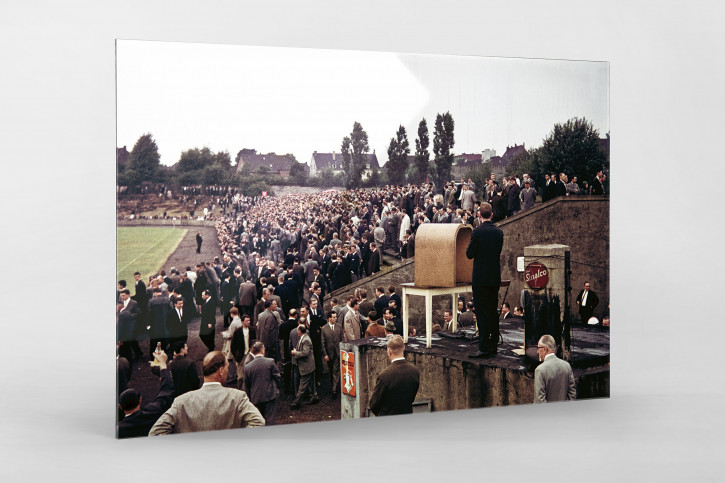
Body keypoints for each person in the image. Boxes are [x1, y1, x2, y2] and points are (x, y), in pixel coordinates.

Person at [149, 351, 265, 435]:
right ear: (220, 371)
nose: (228, 371)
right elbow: (258, 422)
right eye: (227, 367)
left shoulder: (181, 402)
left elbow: (156, 432)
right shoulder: (238, 397)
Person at [466, 202, 504, 358]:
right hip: (494, 277)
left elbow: (469, 253)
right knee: (492, 310)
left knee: (481, 312)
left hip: (481, 278)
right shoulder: (499, 232)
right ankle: (493, 343)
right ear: (492, 215)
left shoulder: (477, 232)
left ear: (479, 215)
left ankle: (483, 346)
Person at [117, 351, 174, 439]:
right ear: (140, 400)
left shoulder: (118, 430)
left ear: (120, 406)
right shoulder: (153, 412)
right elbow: (166, 391)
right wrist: (163, 364)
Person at [369, 335, 420, 416]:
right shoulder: (415, 371)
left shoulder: (384, 376)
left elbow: (374, 405)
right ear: (403, 348)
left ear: (389, 351)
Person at [244, 342, 282, 425]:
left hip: (255, 397)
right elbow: (277, 377)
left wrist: (249, 398)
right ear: (262, 350)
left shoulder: (247, 367)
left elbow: (246, 385)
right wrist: (277, 388)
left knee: (258, 421)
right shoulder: (270, 362)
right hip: (270, 395)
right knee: (270, 420)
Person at [534, 335, 576, 403]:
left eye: (538, 348)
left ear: (545, 349)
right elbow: (572, 394)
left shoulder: (540, 370)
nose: (537, 351)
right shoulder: (567, 366)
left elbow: (539, 401)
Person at [290, 325, 319, 409]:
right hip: (309, 365)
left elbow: (305, 353)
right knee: (311, 384)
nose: (296, 332)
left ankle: (296, 402)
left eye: (297, 330)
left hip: (307, 366)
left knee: (302, 385)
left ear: (300, 331)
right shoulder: (304, 338)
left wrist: (295, 353)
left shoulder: (306, 339)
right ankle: (315, 397)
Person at [321, 311, 343, 398]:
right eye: (333, 317)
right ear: (329, 318)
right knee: (331, 371)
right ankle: (333, 385)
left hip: (337, 352)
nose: (335, 318)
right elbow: (322, 343)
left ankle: (334, 390)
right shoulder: (324, 328)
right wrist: (325, 354)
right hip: (329, 354)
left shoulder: (339, 326)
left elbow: (342, 338)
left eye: (336, 317)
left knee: (335, 371)